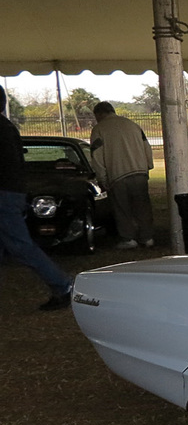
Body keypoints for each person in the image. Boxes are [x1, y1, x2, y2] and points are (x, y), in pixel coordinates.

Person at [0, 88, 73, 310]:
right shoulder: (7, 128)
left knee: (21, 246)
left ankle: (63, 285)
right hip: (11, 192)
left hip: (3, 194)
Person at [89, 101, 155, 248]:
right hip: (140, 171)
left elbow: (97, 156)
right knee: (143, 206)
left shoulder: (99, 129)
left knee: (122, 208)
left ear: (99, 114)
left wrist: (102, 177)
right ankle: (147, 237)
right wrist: (148, 166)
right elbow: (147, 147)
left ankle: (128, 238)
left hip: (117, 174)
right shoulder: (132, 125)